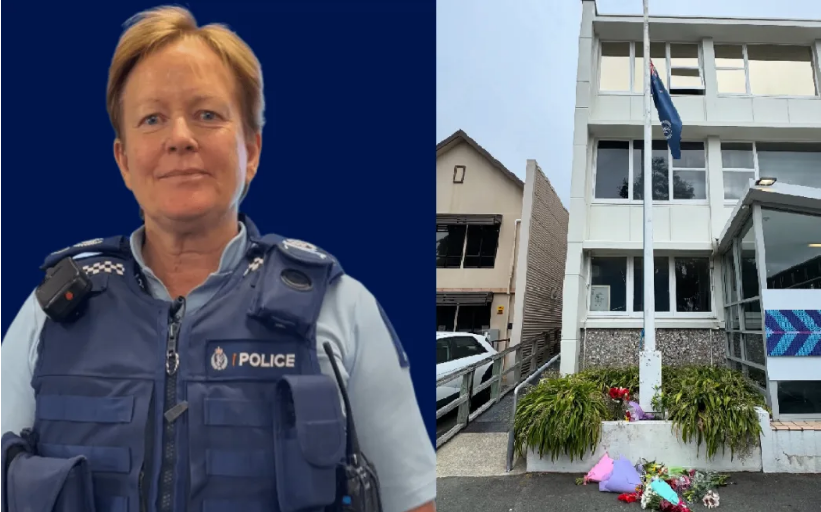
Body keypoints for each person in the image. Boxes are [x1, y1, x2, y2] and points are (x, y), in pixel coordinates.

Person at [0, 6, 436, 512]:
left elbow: (414, 501)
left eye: (207, 114)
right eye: (152, 118)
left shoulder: (338, 308)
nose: (180, 137)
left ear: (251, 150)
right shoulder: (51, 310)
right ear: (123, 159)